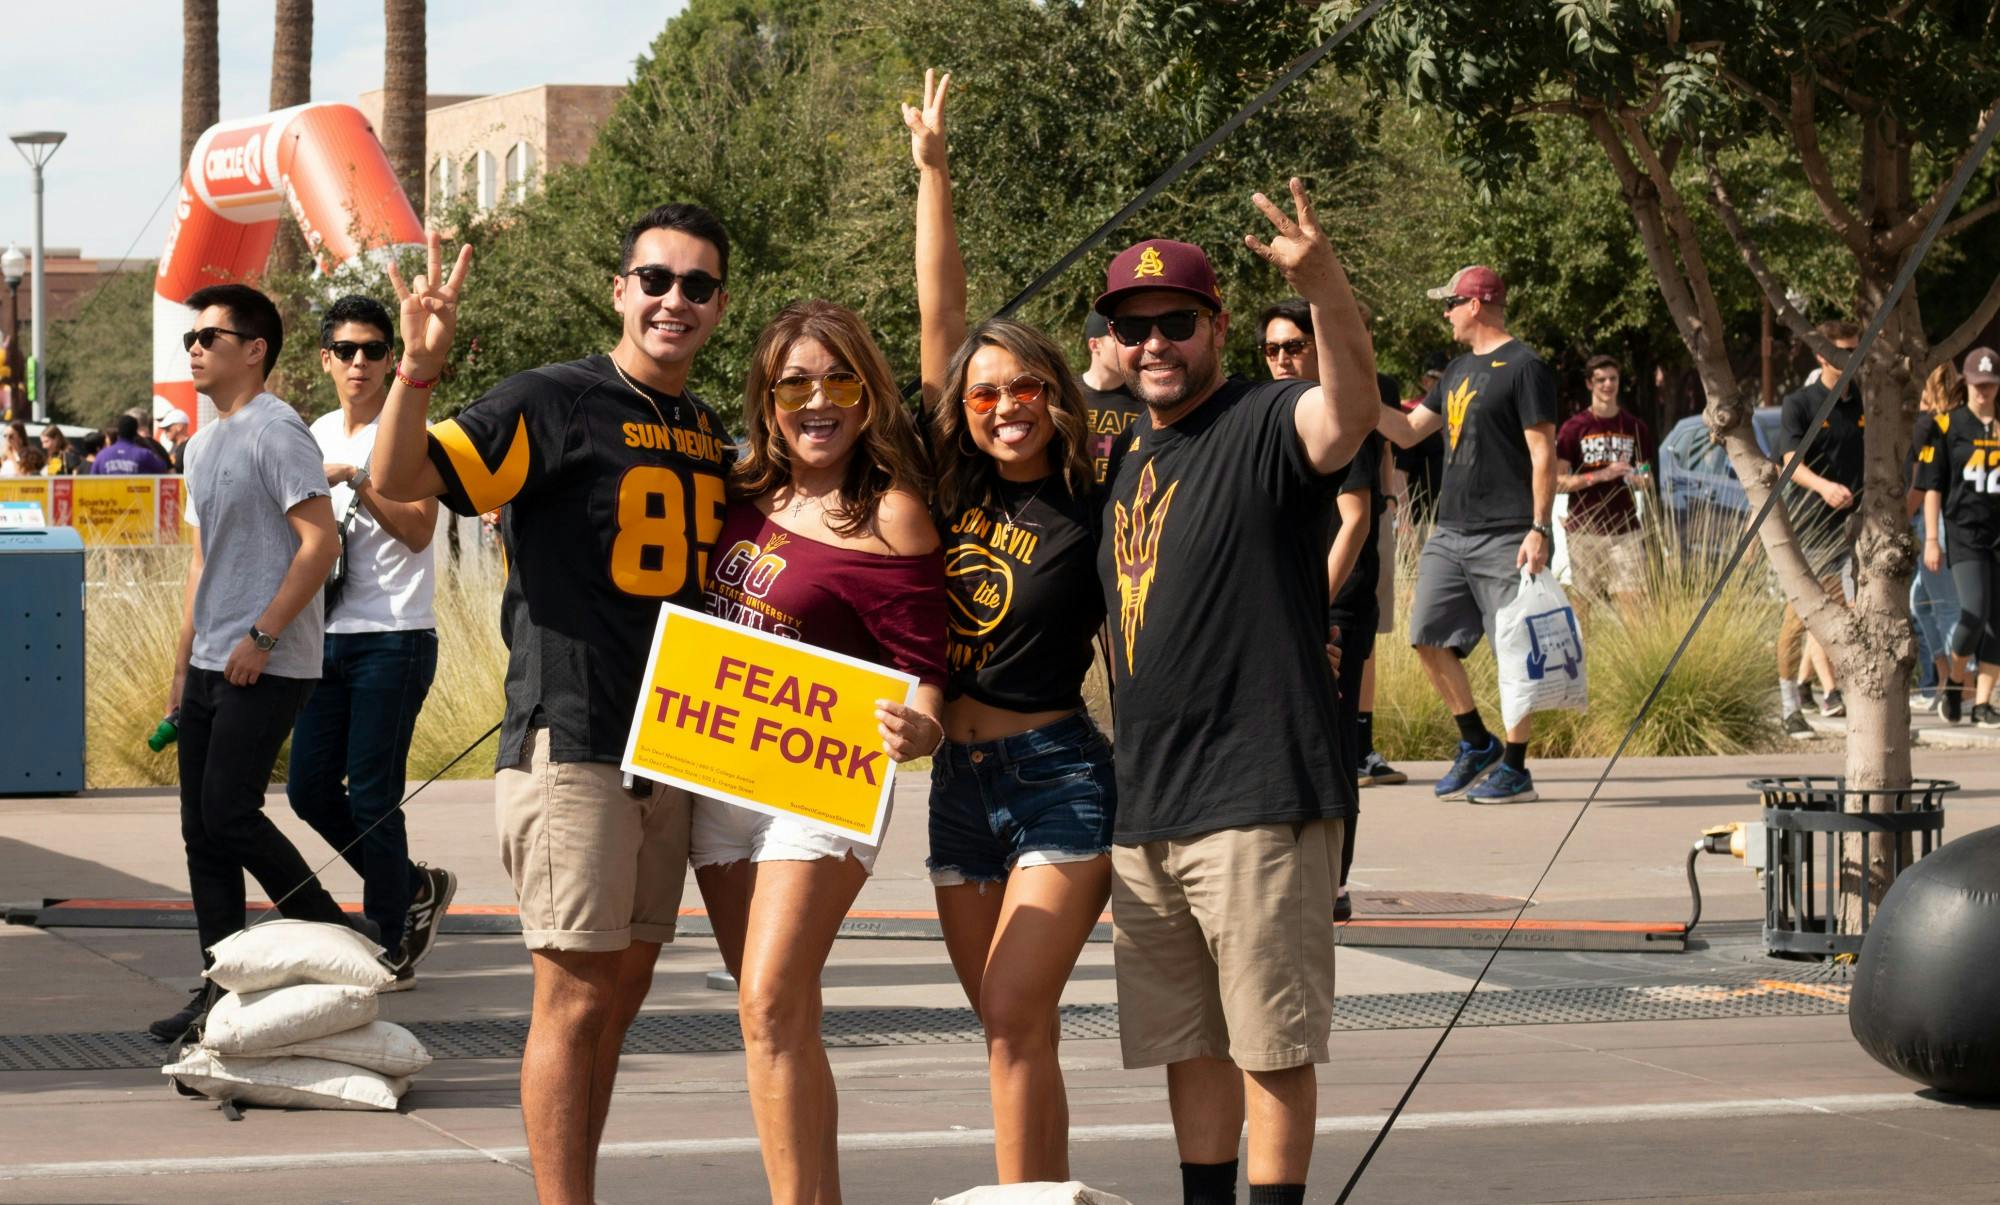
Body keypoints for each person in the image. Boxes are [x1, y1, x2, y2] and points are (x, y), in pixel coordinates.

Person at [371, 210, 734, 1204]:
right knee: (573, 998)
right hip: (573, 738)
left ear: (719, 306)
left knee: (620, 991)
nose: (674, 300)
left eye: (697, 286)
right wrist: (416, 369)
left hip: (677, 745)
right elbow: (399, 478)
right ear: (619, 289)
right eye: (654, 278)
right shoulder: (550, 399)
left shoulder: (707, 429)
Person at [1097, 179, 1378, 1205]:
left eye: (1175, 321)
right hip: (1148, 809)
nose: (1154, 343)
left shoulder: (1264, 420)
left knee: (1268, 1044)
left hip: (1257, 795)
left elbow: (1347, 410)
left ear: (1216, 325)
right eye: (1133, 327)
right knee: (1190, 1045)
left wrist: (1323, 284)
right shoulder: (1126, 453)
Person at [906, 70, 1118, 1184]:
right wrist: (931, 173)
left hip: (1056, 772)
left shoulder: (1093, 494)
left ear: (1055, 391)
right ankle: (1034, 1194)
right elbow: (945, 325)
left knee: (1010, 1000)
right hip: (956, 784)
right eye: (983, 394)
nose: (999, 406)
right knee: (1007, 1031)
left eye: (1020, 387)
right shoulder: (950, 480)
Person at [692, 297, 946, 1203]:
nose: (817, 398)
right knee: (779, 1014)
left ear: (867, 392)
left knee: (765, 1000)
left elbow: (925, 668)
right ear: (765, 396)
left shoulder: (894, 515)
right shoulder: (733, 495)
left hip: (824, 779)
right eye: (794, 380)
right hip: (717, 774)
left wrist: (922, 724)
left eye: (838, 378)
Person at [152, 283, 360, 1041]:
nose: (196, 348)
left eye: (210, 336)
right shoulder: (202, 444)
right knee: (202, 833)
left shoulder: (279, 431)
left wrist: (263, 635)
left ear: (255, 349)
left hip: (270, 660)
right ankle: (219, 987)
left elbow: (320, 543)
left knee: (230, 813)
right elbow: (204, 564)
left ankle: (343, 943)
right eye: (191, 339)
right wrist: (183, 668)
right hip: (210, 663)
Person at [285, 295, 456, 992]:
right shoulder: (312, 431)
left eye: (375, 350)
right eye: (346, 350)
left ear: (392, 358)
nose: (361, 362)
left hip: (394, 635)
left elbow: (418, 530)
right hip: (322, 634)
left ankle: (393, 935)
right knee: (307, 789)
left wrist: (359, 477)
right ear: (325, 359)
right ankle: (413, 886)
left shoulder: (408, 427)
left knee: (372, 795)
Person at [1376, 265, 1558, 804]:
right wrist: (1355, 400)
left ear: (1476, 304)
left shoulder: (1527, 368)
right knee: (1427, 635)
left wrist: (1539, 528)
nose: (1446, 313)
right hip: (1449, 530)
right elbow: (1409, 430)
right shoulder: (1456, 369)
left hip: (1508, 532)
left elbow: (1542, 452)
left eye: (1451, 303)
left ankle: (1518, 768)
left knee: (1513, 649)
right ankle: (1477, 742)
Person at [1259, 295, 1392, 917]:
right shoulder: (1269, 418)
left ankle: (1334, 884)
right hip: (1287, 607)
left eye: (1295, 346)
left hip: (1333, 606)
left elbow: (1356, 521)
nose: (1283, 359)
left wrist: (1313, 609)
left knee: (1333, 743)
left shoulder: (1338, 417)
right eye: (1272, 349)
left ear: (1318, 348)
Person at [1775, 321, 1865, 739]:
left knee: (1855, 613)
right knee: (1808, 613)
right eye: (1844, 351)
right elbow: (1789, 460)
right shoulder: (1802, 403)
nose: (1852, 358)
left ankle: (1838, 695)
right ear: (1822, 356)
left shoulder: (1865, 401)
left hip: (1861, 524)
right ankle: (1790, 705)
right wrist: (1824, 487)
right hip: (1812, 524)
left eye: (1856, 349)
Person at [1918, 347, 2000, 727]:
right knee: (1973, 610)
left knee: (1998, 620)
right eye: (1978, 384)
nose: (1984, 392)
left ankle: (1983, 703)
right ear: (1966, 383)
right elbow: (1932, 487)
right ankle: (1955, 677)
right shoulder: (1948, 425)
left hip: (1998, 533)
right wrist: (1932, 539)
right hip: (1964, 533)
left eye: (1990, 385)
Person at [1555, 354, 1656, 610]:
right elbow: (1558, 482)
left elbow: (1646, 477)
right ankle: (1583, 651)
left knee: (1633, 603)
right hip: (1584, 529)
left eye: (1613, 379)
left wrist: (1637, 478)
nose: (1608, 385)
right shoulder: (1574, 428)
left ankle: (1636, 652)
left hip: (1625, 529)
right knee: (1582, 605)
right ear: (1590, 384)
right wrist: (1600, 475)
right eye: (1601, 380)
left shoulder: (1635, 427)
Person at [1908, 361, 1965, 717]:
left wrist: (1901, 519)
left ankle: (1959, 684)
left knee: (1945, 606)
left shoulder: (1933, 425)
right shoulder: (1954, 423)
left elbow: (1924, 482)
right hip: (1936, 522)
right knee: (1920, 602)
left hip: (1938, 522)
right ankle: (1946, 677)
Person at [1080, 311, 1144, 485]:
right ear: (1095, 345)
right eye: (1118, 339)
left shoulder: (1146, 400)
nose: (1127, 347)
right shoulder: (1066, 395)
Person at [1397, 351, 1448, 523]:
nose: (1447, 386)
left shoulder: (1456, 415)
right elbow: (1399, 471)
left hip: (1452, 517)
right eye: (1440, 380)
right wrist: (1404, 518)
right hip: (1420, 517)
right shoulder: (1409, 416)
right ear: (1425, 382)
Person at [91, 414, 172, 475]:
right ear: (135, 432)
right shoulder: (144, 454)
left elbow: (92, 480)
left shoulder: (102, 455)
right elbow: (163, 468)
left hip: (110, 497)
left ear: (118, 431)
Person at [160, 407, 193, 472]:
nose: (165, 432)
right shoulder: (174, 447)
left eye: (167, 428)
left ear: (179, 426)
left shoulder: (189, 446)